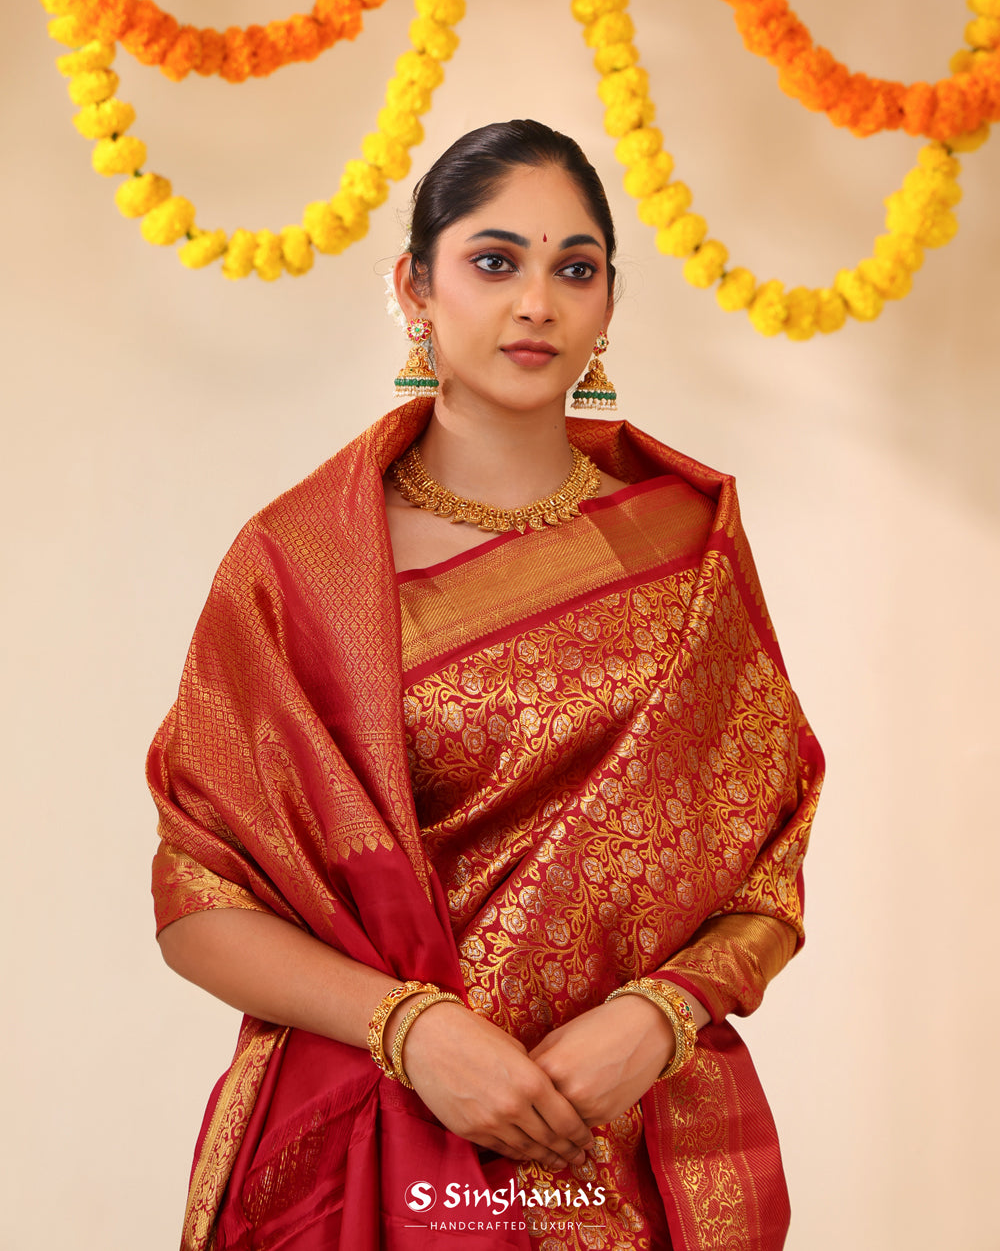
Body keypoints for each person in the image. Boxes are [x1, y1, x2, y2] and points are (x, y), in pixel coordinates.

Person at [148, 120, 824, 1251]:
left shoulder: (683, 541)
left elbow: (769, 865)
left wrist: (661, 1016)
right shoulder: (302, 568)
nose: (536, 303)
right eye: (494, 260)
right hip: (372, 1133)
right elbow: (198, 898)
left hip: (625, 1134)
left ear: (610, 303)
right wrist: (414, 1032)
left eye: (575, 269)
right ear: (414, 286)